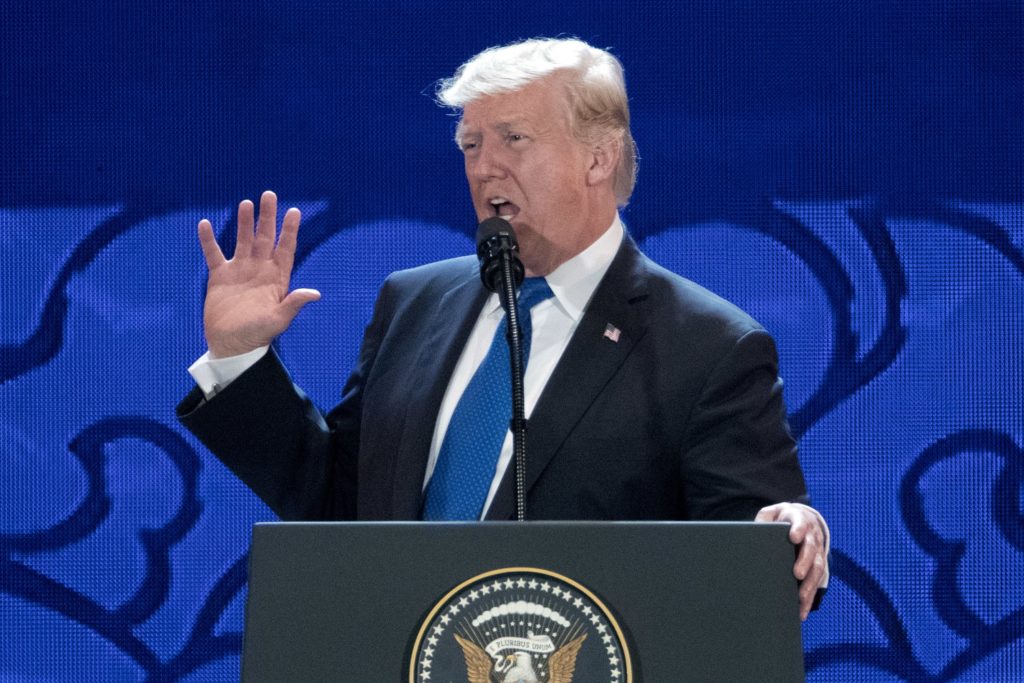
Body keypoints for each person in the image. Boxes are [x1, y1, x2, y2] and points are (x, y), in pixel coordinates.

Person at [177, 38, 829, 619]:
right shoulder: (414, 301)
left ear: (598, 158)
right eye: (470, 144)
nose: (484, 166)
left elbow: (753, 555)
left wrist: (785, 532)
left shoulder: (707, 345)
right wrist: (240, 359)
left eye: (513, 138)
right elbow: (343, 506)